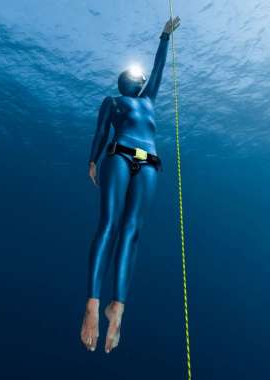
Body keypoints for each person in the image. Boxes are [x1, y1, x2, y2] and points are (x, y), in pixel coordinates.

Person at [80, 16, 181, 354]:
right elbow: (100, 132)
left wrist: (164, 37)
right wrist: (93, 160)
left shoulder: (149, 99)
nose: (139, 78)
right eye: (134, 75)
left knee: (132, 231)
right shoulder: (112, 101)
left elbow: (159, 70)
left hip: (150, 164)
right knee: (109, 224)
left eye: (140, 77)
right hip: (119, 156)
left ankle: (117, 307)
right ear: (124, 81)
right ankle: (93, 304)